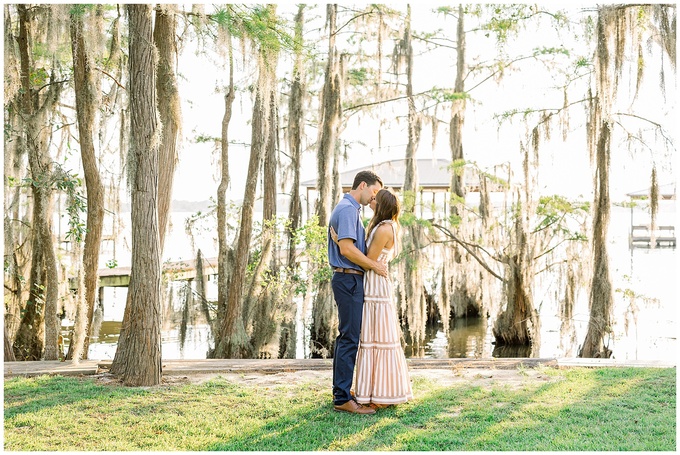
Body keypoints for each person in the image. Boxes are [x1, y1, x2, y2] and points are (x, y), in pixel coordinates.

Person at [331, 188, 413, 409]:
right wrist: (345, 246)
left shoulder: (385, 228)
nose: (372, 199)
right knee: (369, 337)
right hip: (371, 281)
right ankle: (368, 389)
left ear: (383, 204)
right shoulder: (379, 225)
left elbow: (368, 259)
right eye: (372, 195)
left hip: (375, 284)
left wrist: (342, 245)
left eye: (376, 198)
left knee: (376, 339)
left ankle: (381, 393)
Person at [328, 170, 387, 415]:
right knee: (349, 338)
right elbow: (348, 250)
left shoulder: (350, 210)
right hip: (348, 279)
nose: (374, 198)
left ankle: (342, 390)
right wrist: (375, 266)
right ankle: (342, 397)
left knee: (348, 337)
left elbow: (349, 246)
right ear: (362, 185)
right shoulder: (348, 209)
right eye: (373, 192)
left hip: (349, 279)